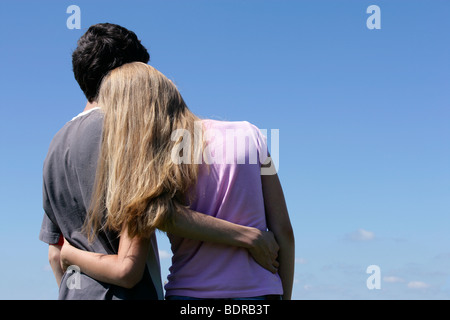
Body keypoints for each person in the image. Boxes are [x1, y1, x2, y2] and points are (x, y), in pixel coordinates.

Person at [39, 23, 280, 300]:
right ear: (129, 76)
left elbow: (55, 254)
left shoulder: (55, 146)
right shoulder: (129, 132)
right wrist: (249, 236)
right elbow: (151, 218)